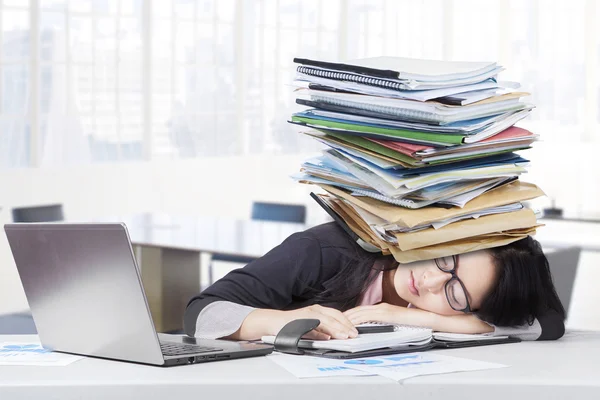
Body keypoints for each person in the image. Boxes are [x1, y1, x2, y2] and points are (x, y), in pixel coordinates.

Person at [184, 222, 565, 341]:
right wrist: (282, 321)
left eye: (455, 292)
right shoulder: (323, 249)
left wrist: (435, 320)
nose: (430, 280)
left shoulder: (443, 310)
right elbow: (199, 313)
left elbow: (549, 325)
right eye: (447, 258)